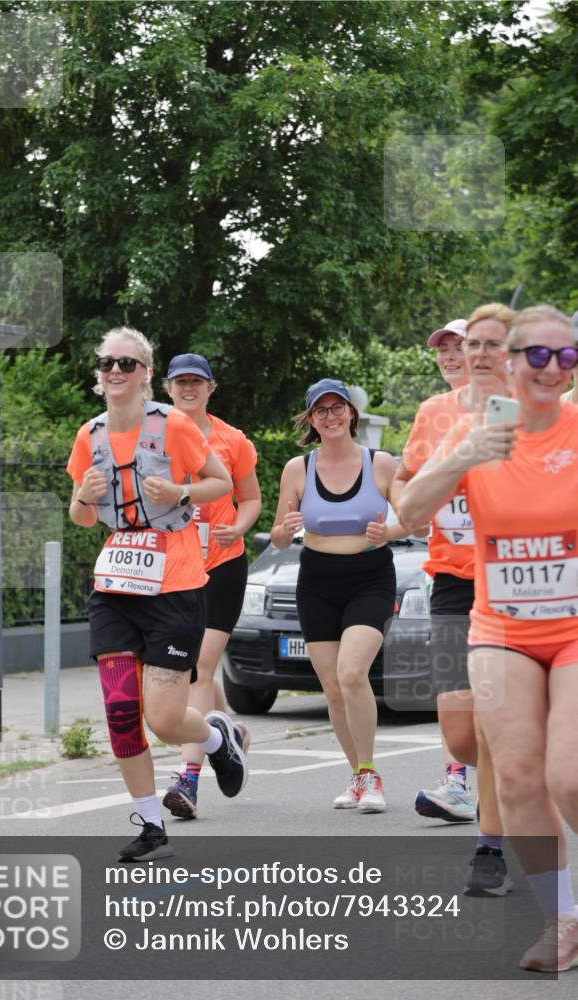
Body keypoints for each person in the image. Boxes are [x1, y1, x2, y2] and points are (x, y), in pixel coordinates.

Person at [398, 305, 578, 972]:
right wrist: (463, 457)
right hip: (499, 630)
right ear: (509, 361)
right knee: (522, 779)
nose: (552, 369)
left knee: (567, 777)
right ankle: (561, 919)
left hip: (573, 632)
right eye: (537, 355)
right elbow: (410, 510)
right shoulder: (476, 431)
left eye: (567, 358)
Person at [67, 327, 249, 862]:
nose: (116, 372)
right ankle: (151, 826)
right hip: (116, 587)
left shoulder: (172, 428)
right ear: (98, 376)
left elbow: (220, 484)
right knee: (121, 712)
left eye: (128, 363)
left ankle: (217, 738)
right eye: (107, 364)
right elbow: (80, 517)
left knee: (165, 721)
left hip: (175, 586)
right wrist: (84, 495)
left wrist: (179, 492)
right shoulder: (90, 435)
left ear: (146, 373)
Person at [392, 303, 515, 898]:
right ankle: (486, 787)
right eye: (450, 348)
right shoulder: (433, 413)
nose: (458, 355)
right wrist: (410, 501)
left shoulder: (527, 411)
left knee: (493, 724)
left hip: (510, 580)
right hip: (450, 578)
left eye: (469, 345)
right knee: (461, 731)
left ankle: (490, 850)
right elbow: (408, 485)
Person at [271, 378, 425, 813]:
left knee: (352, 672)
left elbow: (414, 519)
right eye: (322, 411)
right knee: (333, 689)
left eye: (338, 408)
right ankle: (357, 775)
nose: (332, 416)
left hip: (369, 576)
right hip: (316, 580)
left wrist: (389, 531)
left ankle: (372, 773)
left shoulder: (380, 463)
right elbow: (282, 538)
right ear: (311, 420)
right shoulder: (297, 469)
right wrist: (283, 531)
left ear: (351, 414)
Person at [161, 353, 261, 819]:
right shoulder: (154, 436)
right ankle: (230, 732)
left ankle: (189, 778)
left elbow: (252, 498)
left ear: (210, 388)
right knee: (197, 670)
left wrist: (238, 527)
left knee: (199, 666)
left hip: (222, 563)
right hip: (173, 566)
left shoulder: (232, 440)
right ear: (167, 387)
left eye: (196, 382)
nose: (188, 389)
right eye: (180, 381)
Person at [427, 318, 469, 389]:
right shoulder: (438, 400)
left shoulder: (490, 398)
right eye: (443, 350)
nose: (449, 357)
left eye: (459, 349)